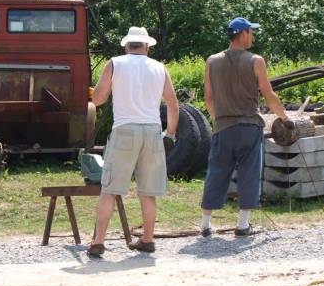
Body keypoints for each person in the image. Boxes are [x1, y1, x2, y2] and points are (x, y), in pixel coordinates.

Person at [88, 26, 179, 257]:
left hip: (124, 129)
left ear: (127, 44)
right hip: (152, 130)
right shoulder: (160, 67)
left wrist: (90, 93)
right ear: (147, 46)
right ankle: (147, 239)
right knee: (148, 192)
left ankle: (98, 241)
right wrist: (170, 134)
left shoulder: (115, 63)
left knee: (110, 189)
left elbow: (98, 99)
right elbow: (172, 103)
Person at [200, 17, 292, 237]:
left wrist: (217, 119)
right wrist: (285, 118)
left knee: (217, 172)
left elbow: (209, 97)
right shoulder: (255, 60)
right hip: (249, 126)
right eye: (251, 32)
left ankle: (205, 224)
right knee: (249, 173)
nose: (254, 36)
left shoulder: (212, 61)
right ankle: (242, 225)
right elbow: (268, 94)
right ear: (242, 33)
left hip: (223, 126)